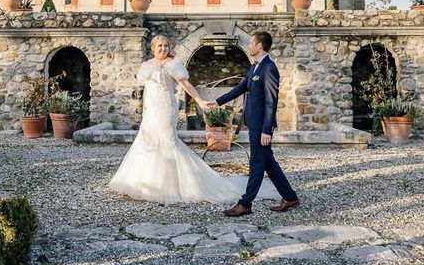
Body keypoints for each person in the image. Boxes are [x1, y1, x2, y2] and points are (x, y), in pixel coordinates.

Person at [108, 34, 278, 205]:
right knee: (146, 141)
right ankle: (144, 182)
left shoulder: (173, 64)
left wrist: (200, 101)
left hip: (166, 108)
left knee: (167, 141)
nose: (163, 49)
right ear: (153, 48)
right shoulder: (147, 65)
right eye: (160, 46)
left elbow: (186, 85)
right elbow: (147, 89)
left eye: (166, 46)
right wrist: (145, 108)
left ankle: (173, 185)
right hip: (151, 110)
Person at [209, 31, 299, 217]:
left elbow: (271, 101)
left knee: (257, 163)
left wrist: (267, 130)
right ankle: (290, 197)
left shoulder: (269, 68)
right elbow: (241, 88)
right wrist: (216, 102)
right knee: (268, 163)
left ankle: (245, 203)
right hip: (254, 124)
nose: (249, 46)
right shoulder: (255, 67)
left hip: (261, 127)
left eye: (251, 43)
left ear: (259, 46)